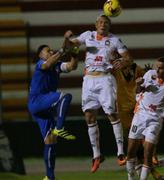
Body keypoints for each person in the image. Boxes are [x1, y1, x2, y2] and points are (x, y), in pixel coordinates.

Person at [69, 14, 132, 172]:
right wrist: (68, 39)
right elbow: (72, 44)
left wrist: (122, 61)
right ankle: (96, 155)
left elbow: (128, 58)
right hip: (89, 80)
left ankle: (120, 152)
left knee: (112, 115)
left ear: (109, 26)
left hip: (105, 79)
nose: (103, 24)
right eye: (101, 22)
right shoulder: (88, 35)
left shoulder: (115, 40)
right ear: (96, 24)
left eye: (106, 23)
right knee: (89, 116)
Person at [27, 32, 79, 180]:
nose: (50, 51)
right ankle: (60, 127)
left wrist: (74, 53)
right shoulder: (41, 64)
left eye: (50, 50)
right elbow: (48, 63)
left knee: (50, 140)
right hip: (37, 101)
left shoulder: (55, 65)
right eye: (47, 50)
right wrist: (64, 46)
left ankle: (49, 177)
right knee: (65, 96)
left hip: (43, 107)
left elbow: (72, 66)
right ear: (40, 55)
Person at [126, 56, 164, 180]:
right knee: (130, 152)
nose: (157, 70)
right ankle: (131, 177)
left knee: (148, 153)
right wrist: (138, 84)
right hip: (139, 115)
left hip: (155, 120)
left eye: (161, 68)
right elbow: (138, 91)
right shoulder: (150, 74)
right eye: (157, 67)